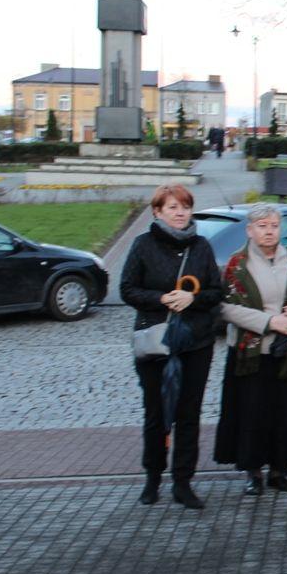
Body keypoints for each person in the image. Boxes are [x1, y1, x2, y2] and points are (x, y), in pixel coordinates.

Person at [120, 183, 225, 509]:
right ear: (157, 212)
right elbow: (127, 289)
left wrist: (192, 298)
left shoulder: (202, 247)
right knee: (156, 413)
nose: (180, 213)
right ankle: (152, 477)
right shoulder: (143, 245)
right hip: (155, 340)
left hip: (195, 341)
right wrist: (162, 297)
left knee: (188, 415)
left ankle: (183, 482)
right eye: (172, 208)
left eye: (185, 207)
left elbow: (215, 293)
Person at [214, 203, 287, 495]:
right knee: (252, 413)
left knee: (285, 412)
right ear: (250, 230)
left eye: (274, 226)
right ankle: (254, 472)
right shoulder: (238, 264)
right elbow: (225, 308)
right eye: (262, 226)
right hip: (251, 353)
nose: (269, 232)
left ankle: (280, 470)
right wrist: (269, 321)